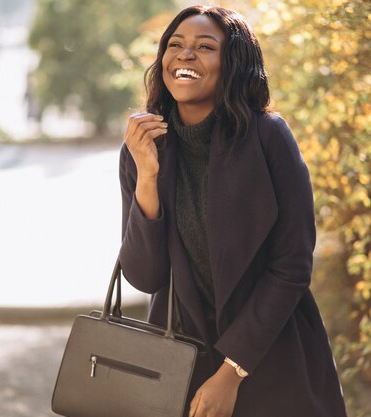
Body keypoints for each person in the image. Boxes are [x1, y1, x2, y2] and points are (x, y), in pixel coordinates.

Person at [119, 5, 348, 417]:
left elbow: (292, 264)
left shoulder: (268, 138)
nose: (185, 55)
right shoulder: (143, 146)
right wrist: (148, 177)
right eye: (175, 45)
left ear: (234, 64)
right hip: (179, 366)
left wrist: (231, 372)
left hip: (273, 359)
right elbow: (144, 275)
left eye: (205, 46)